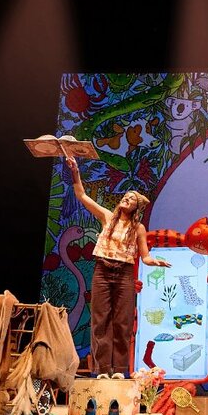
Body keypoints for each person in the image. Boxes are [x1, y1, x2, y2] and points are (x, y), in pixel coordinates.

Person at [66, 156, 170, 377]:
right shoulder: (107, 217)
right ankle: (103, 368)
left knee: (122, 322)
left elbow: (145, 256)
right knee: (100, 319)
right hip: (102, 270)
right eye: (125, 196)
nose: (126, 199)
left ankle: (120, 369)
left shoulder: (138, 228)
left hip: (123, 273)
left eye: (131, 199)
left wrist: (154, 261)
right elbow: (81, 195)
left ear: (136, 207)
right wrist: (75, 171)